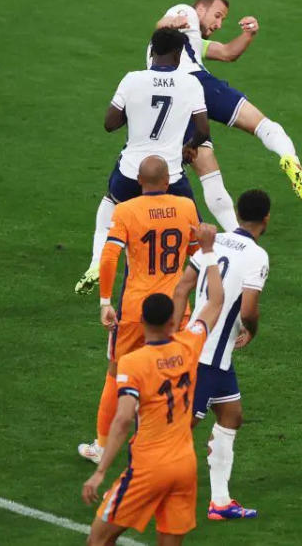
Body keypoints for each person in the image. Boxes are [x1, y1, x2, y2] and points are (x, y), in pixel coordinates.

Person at [82, 222, 225, 545]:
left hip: (148, 467)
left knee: (98, 540)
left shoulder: (134, 363)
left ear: (144, 321)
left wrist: (101, 470)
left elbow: (121, 421)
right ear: (172, 320)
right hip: (184, 466)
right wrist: (208, 251)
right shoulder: (190, 346)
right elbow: (216, 301)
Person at [78, 156, 200, 464]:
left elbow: (109, 257)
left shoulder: (126, 210)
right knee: (171, 373)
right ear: (168, 182)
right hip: (176, 308)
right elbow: (199, 254)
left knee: (116, 374)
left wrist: (105, 301)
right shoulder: (186, 207)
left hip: (135, 310)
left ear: (139, 182)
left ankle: (103, 447)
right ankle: (163, 443)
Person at [75, 28, 209, 295]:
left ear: (152, 51)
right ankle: (208, 279)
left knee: (110, 203)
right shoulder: (191, 84)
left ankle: (95, 262)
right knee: (195, 228)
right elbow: (203, 132)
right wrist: (189, 147)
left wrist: (135, 111)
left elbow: (109, 124)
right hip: (170, 174)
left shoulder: (132, 79)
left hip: (130, 172)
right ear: (180, 54)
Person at [153, 0, 302, 210]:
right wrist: (171, 21)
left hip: (174, 102)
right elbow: (163, 23)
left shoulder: (190, 41)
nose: (219, 24)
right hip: (197, 83)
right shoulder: (186, 12)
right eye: (217, 15)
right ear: (200, 9)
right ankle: (289, 156)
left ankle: (233, 233)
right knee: (263, 125)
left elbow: (227, 52)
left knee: (209, 174)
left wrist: (248, 34)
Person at [170, 189, 270, 521]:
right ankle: (144, 485)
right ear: (265, 220)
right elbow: (250, 308)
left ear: (239, 214)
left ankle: (221, 502)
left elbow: (182, 287)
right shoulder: (257, 256)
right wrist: (251, 329)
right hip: (207, 357)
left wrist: (173, 331)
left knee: (232, 415)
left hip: (208, 351)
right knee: (179, 429)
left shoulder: (216, 242)